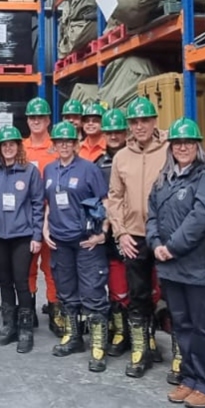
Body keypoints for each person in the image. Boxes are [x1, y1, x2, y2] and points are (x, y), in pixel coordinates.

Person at [146, 118, 205, 408]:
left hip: (201, 269)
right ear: (171, 148)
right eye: (178, 143)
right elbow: (151, 213)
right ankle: (190, 379)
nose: (182, 147)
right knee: (182, 327)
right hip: (171, 268)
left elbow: (202, 217)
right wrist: (155, 244)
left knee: (204, 329)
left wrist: (171, 247)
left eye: (188, 143)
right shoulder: (164, 179)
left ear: (197, 146)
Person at [107, 96, 169, 378]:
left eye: (145, 120)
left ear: (154, 121)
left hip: (167, 237)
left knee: (171, 296)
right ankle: (140, 350)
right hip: (133, 237)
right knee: (138, 295)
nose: (140, 126)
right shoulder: (121, 157)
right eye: (134, 121)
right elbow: (114, 198)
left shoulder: (170, 150)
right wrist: (120, 233)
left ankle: (173, 352)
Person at [42, 121, 110, 370]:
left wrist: (104, 233)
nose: (64, 145)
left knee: (93, 293)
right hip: (60, 242)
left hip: (86, 242)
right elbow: (49, 203)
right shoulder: (49, 170)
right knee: (66, 292)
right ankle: (74, 338)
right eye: (59, 141)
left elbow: (105, 201)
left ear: (75, 144)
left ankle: (98, 346)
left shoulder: (89, 169)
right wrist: (45, 227)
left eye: (68, 141)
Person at [0, 126, 44, 354]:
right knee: (4, 281)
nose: (8, 148)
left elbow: (37, 205)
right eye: (4, 145)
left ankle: (25, 327)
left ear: (18, 146)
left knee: (21, 281)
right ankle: (9, 325)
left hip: (22, 236)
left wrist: (37, 235)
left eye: (12, 144)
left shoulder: (30, 172)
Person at [22, 97, 62, 337]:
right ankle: (28, 310)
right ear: (27, 120)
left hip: (53, 218)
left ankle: (55, 310)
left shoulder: (57, 147)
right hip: (25, 218)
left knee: (52, 268)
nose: (36, 121)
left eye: (41, 117)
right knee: (27, 267)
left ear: (48, 120)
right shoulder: (20, 148)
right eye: (32, 117)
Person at [95, 108, 133, 358]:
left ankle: (143, 334)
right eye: (109, 132)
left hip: (136, 228)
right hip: (109, 233)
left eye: (118, 131)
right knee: (117, 284)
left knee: (143, 285)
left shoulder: (135, 157)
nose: (114, 136)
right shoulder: (98, 164)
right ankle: (120, 330)